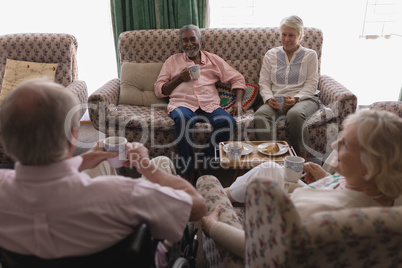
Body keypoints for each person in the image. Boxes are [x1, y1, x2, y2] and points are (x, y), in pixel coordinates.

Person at [0, 79, 206, 259]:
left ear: (6, 141)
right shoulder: (122, 194)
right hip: (140, 256)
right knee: (162, 163)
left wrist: (84, 159)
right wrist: (148, 168)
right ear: (72, 137)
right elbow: (198, 207)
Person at [196, 109, 402, 264]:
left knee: (207, 182)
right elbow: (347, 191)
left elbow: (260, 249)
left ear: (373, 165)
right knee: (271, 167)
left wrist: (213, 227)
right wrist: (325, 179)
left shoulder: (325, 216)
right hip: (307, 199)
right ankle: (228, 194)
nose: (333, 146)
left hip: (264, 230)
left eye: (345, 144)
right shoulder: (384, 190)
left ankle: (215, 199)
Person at [154, 24, 247, 181]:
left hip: (209, 104)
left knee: (228, 122)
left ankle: (201, 163)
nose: (189, 44)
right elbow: (159, 89)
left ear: (200, 41)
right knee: (182, 120)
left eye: (192, 39)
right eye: (185, 41)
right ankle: (188, 172)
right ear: (181, 43)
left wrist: (238, 102)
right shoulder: (172, 61)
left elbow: (237, 78)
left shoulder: (213, 60)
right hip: (182, 103)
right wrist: (179, 79)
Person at [254, 15, 320, 159]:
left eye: (291, 35)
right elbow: (264, 82)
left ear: (300, 36)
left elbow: (312, 83)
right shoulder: (271, 54)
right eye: (284, 34)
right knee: (260, 115)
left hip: (304, 99)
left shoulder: (310, 55)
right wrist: (268, 98)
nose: (287, 39)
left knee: (294, 115)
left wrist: (296, 98)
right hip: (276, 100)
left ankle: (301, 162)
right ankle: (272, 160)